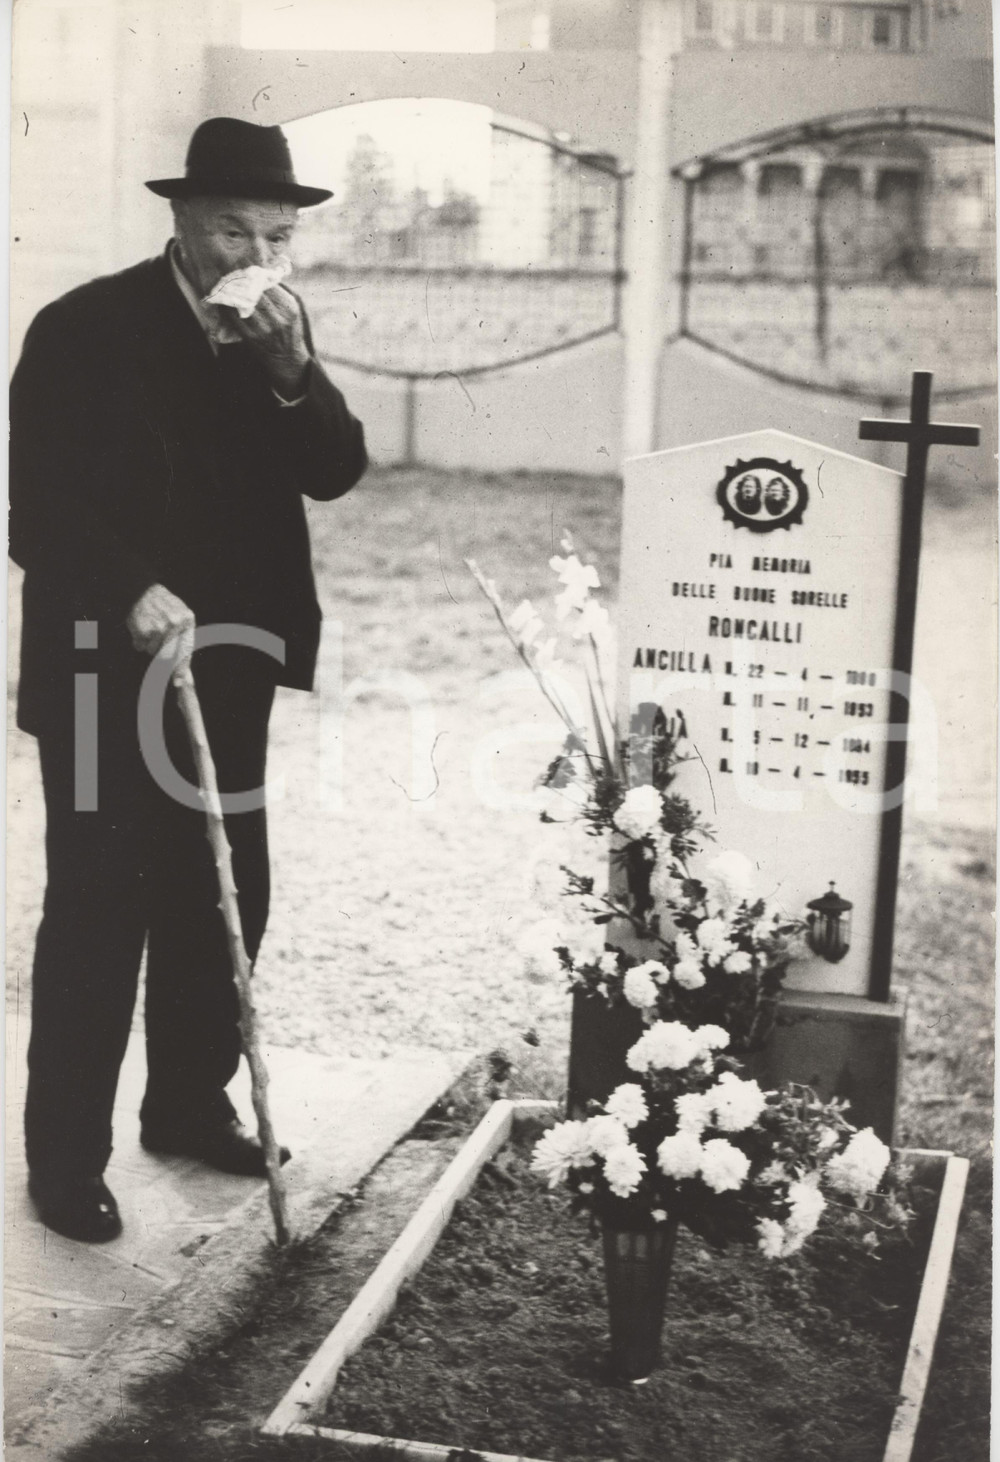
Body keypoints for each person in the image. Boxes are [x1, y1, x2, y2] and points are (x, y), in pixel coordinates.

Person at [9, 117, 368, 1243]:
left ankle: (186, 1102)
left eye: (274, 233)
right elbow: (38, 503)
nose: (251, 253)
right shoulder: (82, 328)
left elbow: (336, 470)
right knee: (102, 901)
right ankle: (66, 1159)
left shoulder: (275, 338)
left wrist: (292, 372)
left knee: (223, 890)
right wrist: (127, 587)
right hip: (96, 657)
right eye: (228, 228)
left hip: (231, 662)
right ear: (179, 220)